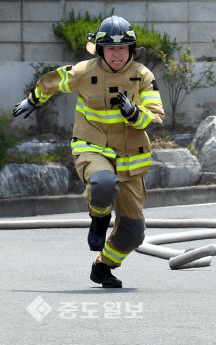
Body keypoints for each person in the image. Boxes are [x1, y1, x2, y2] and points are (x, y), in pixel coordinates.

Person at [12, 15, 164, 288]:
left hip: (131, 160)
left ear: (131, 49)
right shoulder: (84, 71)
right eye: (111, 48)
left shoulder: (143, 76)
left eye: (122, 48)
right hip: (91, 147)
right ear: (100, 49)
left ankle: (103, 266)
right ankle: (99, 217)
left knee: (133, 233)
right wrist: (32, 100)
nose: (117, 54)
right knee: (103, 183)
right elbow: (54, 80)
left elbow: (155, 116)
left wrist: (134, 113)